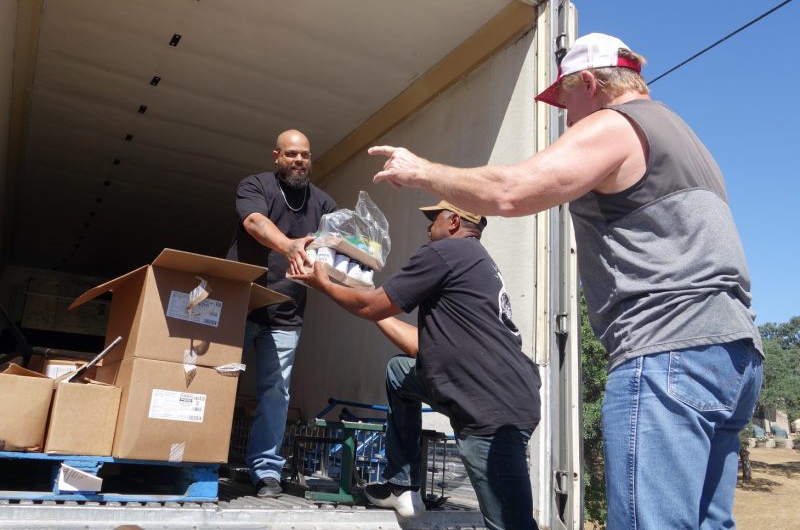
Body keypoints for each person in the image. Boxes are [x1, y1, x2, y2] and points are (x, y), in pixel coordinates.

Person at [366, 33, 763, 530]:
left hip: (667, 351)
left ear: (592, 84)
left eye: (565, 100)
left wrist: (422, 170)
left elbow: (511, 192)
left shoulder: (617, 124)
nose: (566, 118)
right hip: (733, 358)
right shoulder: (685, 138)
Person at [292, 200, 541, 530]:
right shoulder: (474, 262)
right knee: (400, 373)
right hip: (493, 393)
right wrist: (369, 300)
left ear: (453, 221)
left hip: (491, 410)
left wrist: (325, 284)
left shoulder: (446, 253)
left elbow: (371, 306)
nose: (428, 227)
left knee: (511, 525)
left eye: (433, 218)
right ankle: (403, 486)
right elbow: (420, 345)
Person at [226, 129, 337, 497]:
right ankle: (201, 453)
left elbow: (341, 242)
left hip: (287, 312)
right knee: (219, 381)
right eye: (291, 154)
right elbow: (254, 223)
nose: (299, 161)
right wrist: (289, 245)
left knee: (276, 393)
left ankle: (266, 471)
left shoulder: (323, 204)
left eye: (304, 155)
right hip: (241, 302)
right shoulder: (255, 186)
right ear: (276, 156)